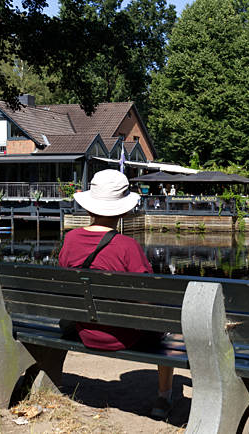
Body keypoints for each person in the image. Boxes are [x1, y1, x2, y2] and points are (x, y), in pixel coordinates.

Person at [59, 169, 174, 419]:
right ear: (122, 210)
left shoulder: (70, 239)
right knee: (165, 323)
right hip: (122, 335)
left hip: (84, 329)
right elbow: (148, 296)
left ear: (90, 206)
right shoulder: (127, 246)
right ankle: (164, 396)